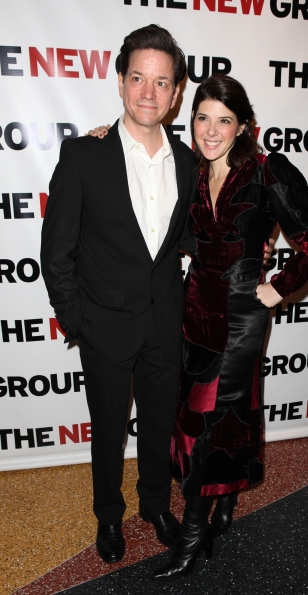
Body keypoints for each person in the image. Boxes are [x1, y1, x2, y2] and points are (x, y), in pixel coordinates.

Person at [41, 23, 276, 566]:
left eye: (162, 82)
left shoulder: (191, 159)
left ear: (175, 93)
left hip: (168, 322)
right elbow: (56, 253)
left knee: (157, 426)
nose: (149, 92)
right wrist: (76, 321)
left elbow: (201, 232)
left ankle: (154, 505)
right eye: (139, 79)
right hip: (102, 325)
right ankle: (107, 514)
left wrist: (247, 253)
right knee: (106, 430)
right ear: (121, 82)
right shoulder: (83, 155)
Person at [148, 75, 308, 580]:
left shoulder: (265, 170)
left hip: (241, 316)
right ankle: (228, 500)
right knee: (226, 414)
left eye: (224, 120)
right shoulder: (189, 167)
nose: (210, 130)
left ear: (242, 126)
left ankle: (193, 537)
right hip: (194, 311)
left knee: (206, 424)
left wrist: (281, 285)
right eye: (202, 117)